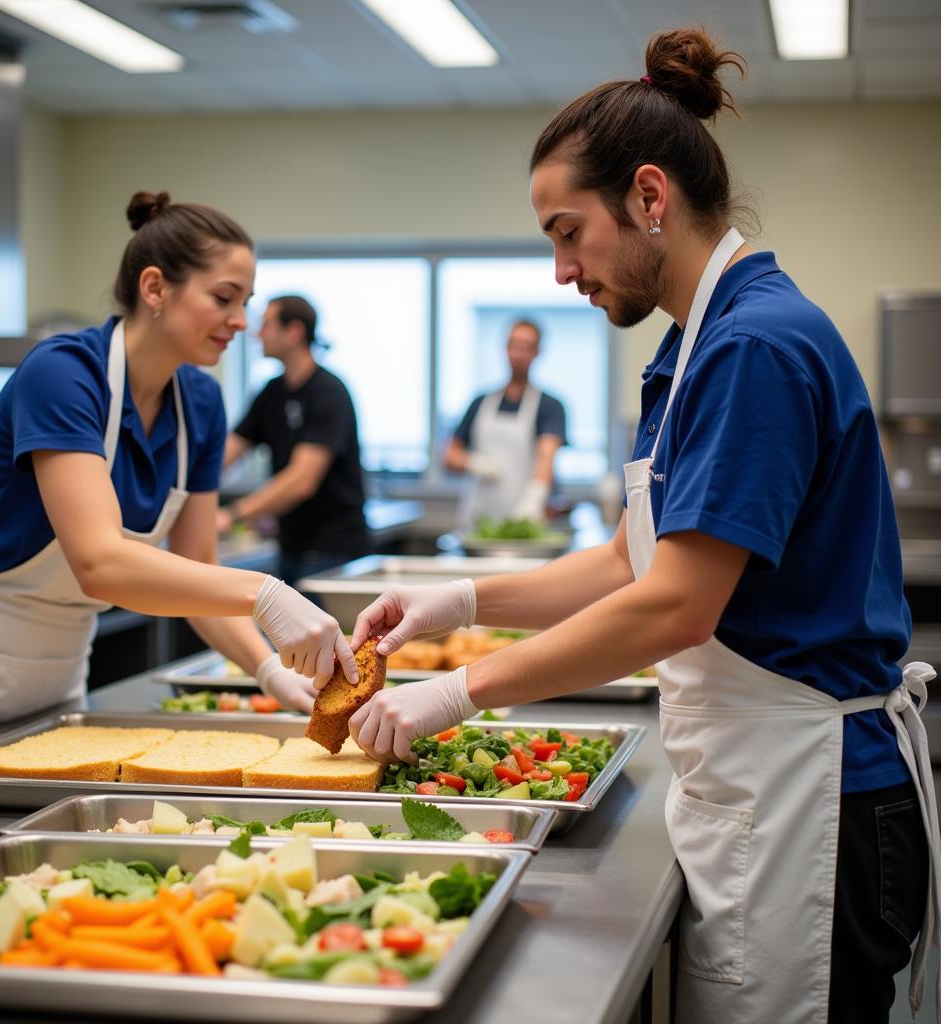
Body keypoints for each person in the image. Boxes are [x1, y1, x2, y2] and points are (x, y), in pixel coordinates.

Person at [344, 28, 939, 1024]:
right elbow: (629, 558)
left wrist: (458, 689)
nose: (561, 269)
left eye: (567, 232)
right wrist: (455, 602)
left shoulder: (754, 346)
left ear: (649, 198)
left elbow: (673, 604)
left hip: (814, 798)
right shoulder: (694, 347)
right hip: (759, 784)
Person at [0, 192, 358, 751]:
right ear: (154, 288)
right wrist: (266, 593)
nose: (240, 322)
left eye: (246, 302)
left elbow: (197, 567)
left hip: (62, 668)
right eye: (224, 298)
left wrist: (266, 669)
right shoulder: (63, 375)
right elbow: (98, 563)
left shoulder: (200, 401)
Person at [217, 295, 368, 588]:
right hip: (292, 546)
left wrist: (232, 515)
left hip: (333, 550)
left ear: (294, 332)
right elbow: (226, 453)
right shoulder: (272, 392)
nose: (256, 332)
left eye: (266, 324)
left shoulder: (329, 393)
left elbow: (302, 480)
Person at [443, 318, 567, 526]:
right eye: (513, 345)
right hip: (477, 522)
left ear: (537, 352)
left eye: (526, 348)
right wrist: (474, 463)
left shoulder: (550, 406)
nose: (517, 355)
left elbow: (547, 456)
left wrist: (534, 499)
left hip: (525, 522)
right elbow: (449, 455)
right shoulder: (480, 402)